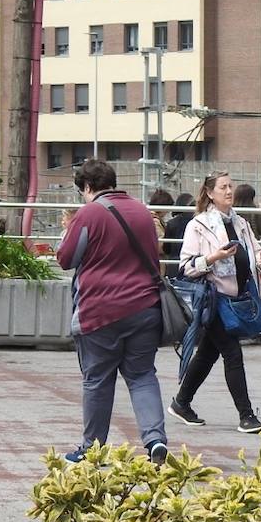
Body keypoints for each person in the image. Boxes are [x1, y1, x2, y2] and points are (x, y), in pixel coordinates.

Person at [54, 159, 169, 464]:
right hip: (145, 307)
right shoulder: (142, 211)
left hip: (100, 311)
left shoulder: (88, 213)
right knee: (143, 375)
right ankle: (155, 439)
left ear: (87, 188)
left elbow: (66, 259)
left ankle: (92, 449)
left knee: (98, 379)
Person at [173, 170, 261, 434]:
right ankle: (246, 415)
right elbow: (185, 267)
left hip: (236, 298)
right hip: (212, 299)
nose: (229, 191)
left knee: (207, 353)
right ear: (210, 193)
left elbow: (257, 253)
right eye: (223, 187)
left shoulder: (241, 223)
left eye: (231, 186)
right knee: (232, 352)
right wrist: (214, 257)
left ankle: (181, 402)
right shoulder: (198, 225)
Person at [162, 193, 194, 272]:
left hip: (174, 265)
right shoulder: (197, 222)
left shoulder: (171, 223)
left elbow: (166, 248)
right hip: (192, 264)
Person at [147, 189, 174, 253]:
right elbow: (161, 246)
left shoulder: (148, 217)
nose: (168, 212)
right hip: (159, 260)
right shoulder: (155, 222)